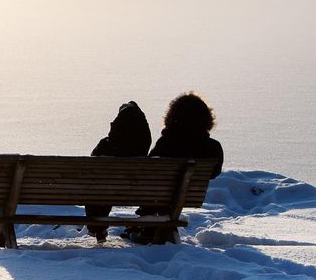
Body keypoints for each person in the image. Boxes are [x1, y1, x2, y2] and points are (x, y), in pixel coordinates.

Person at [129, 92, 224, 244]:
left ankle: (148, 226)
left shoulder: (166, 143)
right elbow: (214, 172)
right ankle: (153, 227)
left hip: (158, 196)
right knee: (168, 190)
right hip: (186, 196)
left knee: (157, 188)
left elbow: (148, 169)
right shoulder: (213, 147)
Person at [85, 101, 151, 242]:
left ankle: (97, 227)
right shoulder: (143, 148)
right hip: (135, 192)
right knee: (106, 185)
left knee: (97, 185)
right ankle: (98, 227)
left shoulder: (106, 145)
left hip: (106, 191)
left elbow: (90, 167)